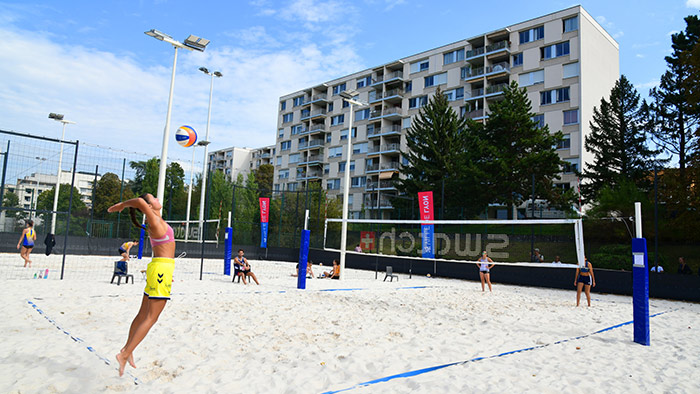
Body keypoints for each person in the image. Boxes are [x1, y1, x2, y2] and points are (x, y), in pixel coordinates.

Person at [108, 193, 176, 377]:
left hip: (160, 268)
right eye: (152, 198)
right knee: (151, 317)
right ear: (149, 206)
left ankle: (127, 349)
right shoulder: (153, 219)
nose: (156, 198)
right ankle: (124, 354)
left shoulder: (156, 220)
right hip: (161, 268)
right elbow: (138, 202)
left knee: (142, 314)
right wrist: (121, 205)